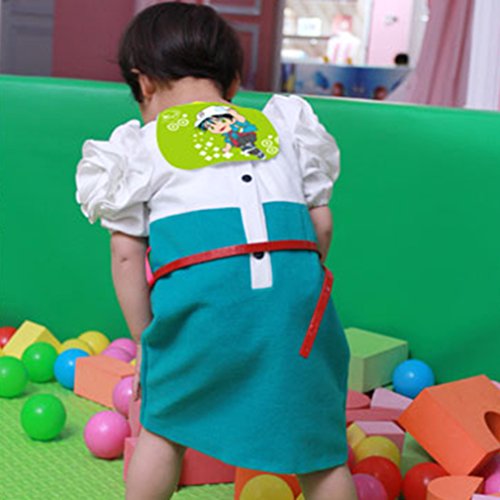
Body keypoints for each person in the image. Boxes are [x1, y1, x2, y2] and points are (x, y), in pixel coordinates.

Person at [75, 3, 355, 500]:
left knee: (163, 429)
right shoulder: (281, 128)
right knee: (321, 453)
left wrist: (147, 342)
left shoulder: (142, 145)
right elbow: (323, 225)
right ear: (234, 82)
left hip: (205, 309)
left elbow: (126, 256)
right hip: (299, 312)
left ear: (142, 83)